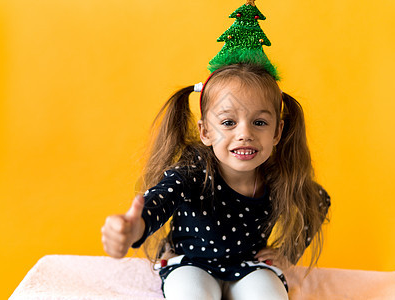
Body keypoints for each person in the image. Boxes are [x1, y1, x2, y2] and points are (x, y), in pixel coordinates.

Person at [101, 63, 331, 299]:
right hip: (191, 264)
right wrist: (133, 228)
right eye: (228, 122)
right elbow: (159, 201)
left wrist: (288, 254)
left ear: (277, 132)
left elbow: (318, 200)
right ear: (205, 132)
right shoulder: (191, 173)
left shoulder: (279, 178)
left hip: (248, 266)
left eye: (259, 122)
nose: (245, 134)